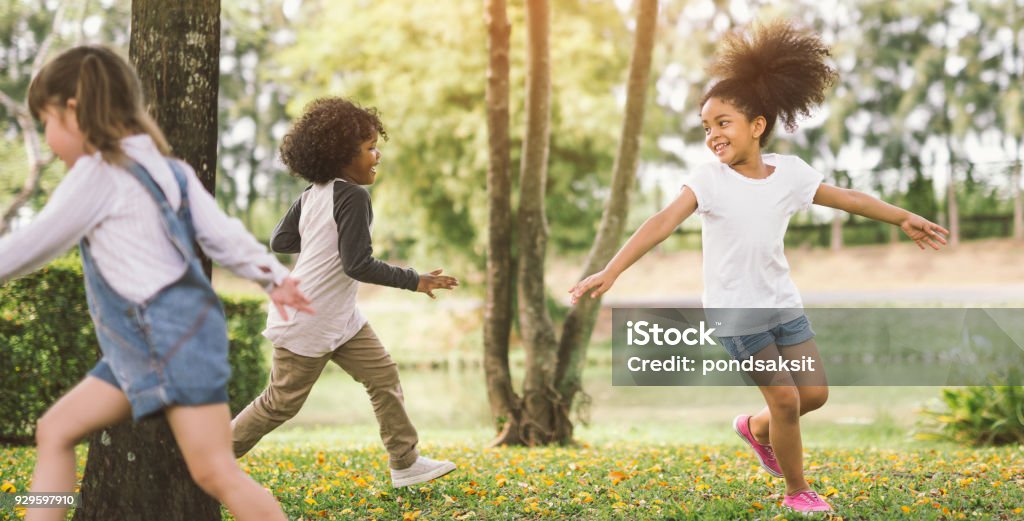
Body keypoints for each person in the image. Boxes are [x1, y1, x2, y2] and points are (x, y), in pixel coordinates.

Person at [569, 20, 948, 513]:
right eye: (706, 127)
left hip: (781, 302)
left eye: (723, 122)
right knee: (786, 401)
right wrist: (612, 270)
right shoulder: (708, 180)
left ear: (758, 125)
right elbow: (661, 222)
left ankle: (752, 428)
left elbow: (847, 198)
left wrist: (903, 217)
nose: (712, 135)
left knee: (813, 394)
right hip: (735, 312)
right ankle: (797, 491)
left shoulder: (790, 174)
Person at [1, 45, 313, 521]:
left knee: (215, 472)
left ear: (73, 110)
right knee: (55, 430)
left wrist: (273, 277)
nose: (46, 139)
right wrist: (272, 276)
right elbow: (222, 233)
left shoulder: (98, 173)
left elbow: (33, 244)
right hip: (148, 346)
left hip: (164, 341)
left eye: (45, 121)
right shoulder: (170, 171)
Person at [230, 96, 458, 488]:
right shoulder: (352, 196)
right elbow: (358, 264)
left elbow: (281, 240)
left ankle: (405, 462)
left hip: (339, 317)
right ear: (340, 156)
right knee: (279, 403)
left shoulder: (314, 192)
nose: (377, 155)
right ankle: (206, 459)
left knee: (382, 375)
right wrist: (415, 280)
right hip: (309, 317)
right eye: (369, 148)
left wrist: (319, 239)